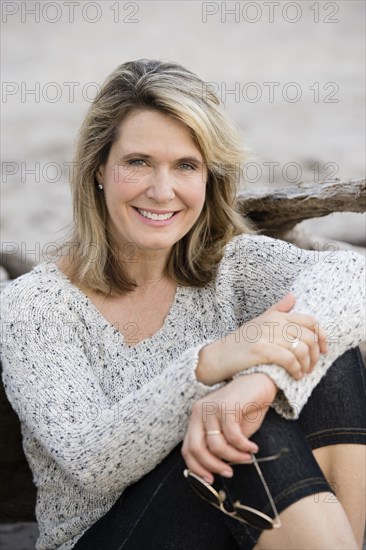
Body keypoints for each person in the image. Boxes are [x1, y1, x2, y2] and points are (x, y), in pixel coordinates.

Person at [1, 59, 365, 550]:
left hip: (226, 526)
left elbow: (353, 276)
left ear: (209, 178)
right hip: (101, 538)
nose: (162, 190)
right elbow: (92, 461)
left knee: (326, 352)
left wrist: (257, 383)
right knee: (245, 440)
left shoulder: (233, 266)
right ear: (98, 170)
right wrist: (211, 367)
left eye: (185, 166)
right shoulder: (33, 305)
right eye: (138, 162)